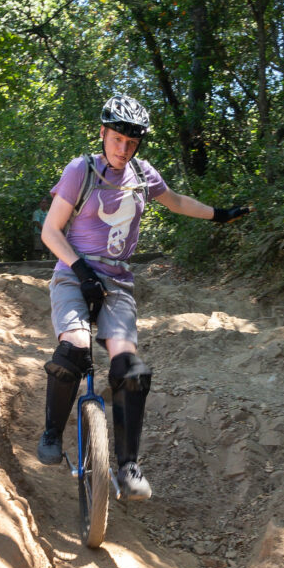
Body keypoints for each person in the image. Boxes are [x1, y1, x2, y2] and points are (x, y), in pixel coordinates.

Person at [36, 94, 251, 500]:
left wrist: (220, 215)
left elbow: (176, 202)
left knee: (131, 370)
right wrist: (80, 270)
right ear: (103, 134)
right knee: (75, 349)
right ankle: (51, 432)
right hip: (73, 272)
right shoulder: (80, 171)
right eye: (117, 139)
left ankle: (128, 466)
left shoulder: (142, 174)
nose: (123, 149)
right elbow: (50, 231)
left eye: (131, 143)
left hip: (117, 282)